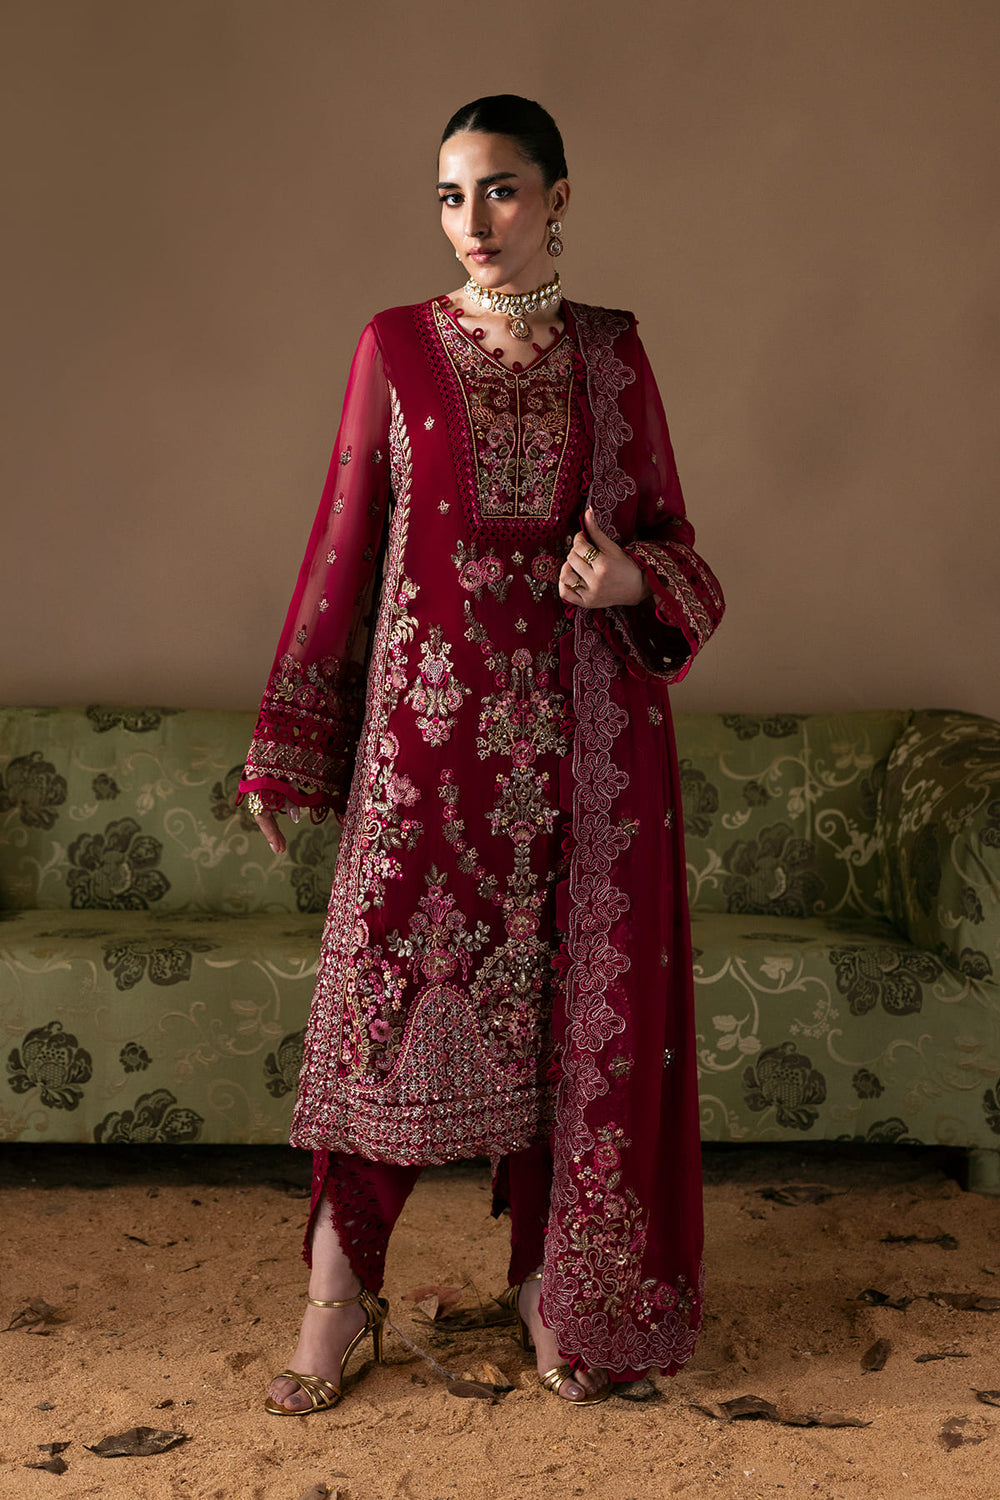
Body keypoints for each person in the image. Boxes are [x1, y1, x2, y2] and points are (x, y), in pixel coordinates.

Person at [238, 94, 724, 1414]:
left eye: (501, 190)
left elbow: (677, 542)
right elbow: (343, 544)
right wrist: (289, 745)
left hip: (579, 759)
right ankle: (338, 1302)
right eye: (451, 196)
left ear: (559, 199)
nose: (474, 221)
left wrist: (631, 579)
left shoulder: (614, 355)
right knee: (380, 1025)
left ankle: (553, 1288)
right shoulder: (396, 345)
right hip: (424, 752)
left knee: (571, 1037)